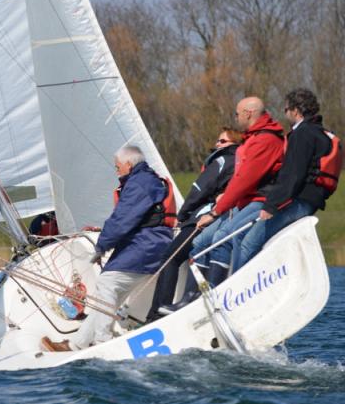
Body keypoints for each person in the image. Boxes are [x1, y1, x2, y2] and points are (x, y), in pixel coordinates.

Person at [41, 145, 172, 351]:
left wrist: (101, 246)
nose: (116, 171)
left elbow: (122, 219)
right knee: (107, 295)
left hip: (147, 245)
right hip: (147, 243)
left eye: (117, 167)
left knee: (107, 282)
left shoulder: (140, 183)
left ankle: (104, 341)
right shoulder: (145, 180)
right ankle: (77, 344)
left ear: (128, 164)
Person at [179, 97, 285, 305]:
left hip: (260, 200)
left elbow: (244, 180)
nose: (235, 118)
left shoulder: (266, 140)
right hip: (241, 202)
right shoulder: (253, 138)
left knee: (222, 238)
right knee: (200, 242)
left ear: (248, 113)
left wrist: (216, 211)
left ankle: (217, 296)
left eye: (237, 113)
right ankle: (191, 299)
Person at [145, 127, 241, 321]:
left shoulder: (223, 160)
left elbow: (200, 188)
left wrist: (182, 214)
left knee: (170, 258)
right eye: (218, 140)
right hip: (220, 218)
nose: (217, 144)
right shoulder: (240, 161)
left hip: (202, 218)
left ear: (234, 143)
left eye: (222, 141)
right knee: (183, 256)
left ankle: (157, 314)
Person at [236, 88, 339, 268]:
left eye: (285, 110)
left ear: (296, 111)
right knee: (261, 243)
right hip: (311, 202)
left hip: (298, 202)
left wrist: (271, 205)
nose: (284, 114)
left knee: (247, 242)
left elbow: (293, 175)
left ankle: (236, 285)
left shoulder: (302, 133)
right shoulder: (321, 133)